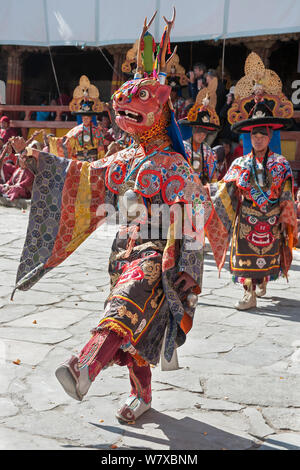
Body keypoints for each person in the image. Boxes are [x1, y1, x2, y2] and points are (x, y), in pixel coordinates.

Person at [11, 9, 212, 423]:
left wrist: (187, 268)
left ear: (160, 111)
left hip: (157, 257)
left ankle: (84, 368)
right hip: (125, 253)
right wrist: (36, 162)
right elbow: (80, 175)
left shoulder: (174, 165)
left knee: (120, 313)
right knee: (131, 338)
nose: (122, 101)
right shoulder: (125, 158)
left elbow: (195, 210)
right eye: (123, 97)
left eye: (137, 99)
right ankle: (142, 396)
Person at [207, 52, 298, 310]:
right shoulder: (239, 164)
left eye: (263, 135)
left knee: (268, 258)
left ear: (269, 137)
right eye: (254, 135)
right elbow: (225, 190)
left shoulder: (280, 164)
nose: (258, 139)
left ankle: (263, 281)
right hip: (246, 219)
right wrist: (205, 193)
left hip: (270, 220)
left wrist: (285, 216)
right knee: (244, 258)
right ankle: (249, 293)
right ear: (250, 136)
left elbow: (287, 194)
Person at [48, 76, 106, 162]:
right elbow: (65, 142)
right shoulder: (75, 131)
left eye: (87, 117)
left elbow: (100, 148)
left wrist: (101, 161)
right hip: (80, 162)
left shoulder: (96, 131)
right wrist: (52, 140)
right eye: (84, 117)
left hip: (94, 161)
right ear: (82, 118)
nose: (85, 119)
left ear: (91, 118)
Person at [180, 96, 220, 184]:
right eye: (199, 132)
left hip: (202, 187)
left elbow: (212, 176)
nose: (201, 135)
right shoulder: (182, 147)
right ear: (193, 130)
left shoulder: (208, 151)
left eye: (204, 133)